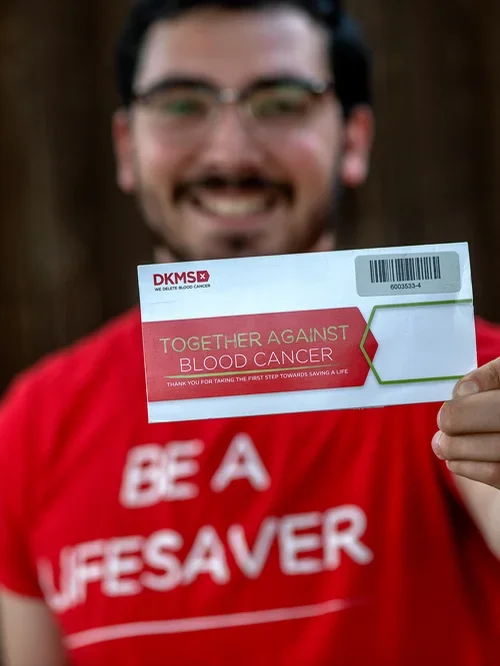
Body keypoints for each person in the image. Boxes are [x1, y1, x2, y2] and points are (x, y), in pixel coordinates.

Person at [0, 0, 499, 664]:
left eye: (283, 101)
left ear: (353, 139)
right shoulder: (35, 422)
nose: (231, 150)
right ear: (126, 147)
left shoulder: (459, 370)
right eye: (181, 104)